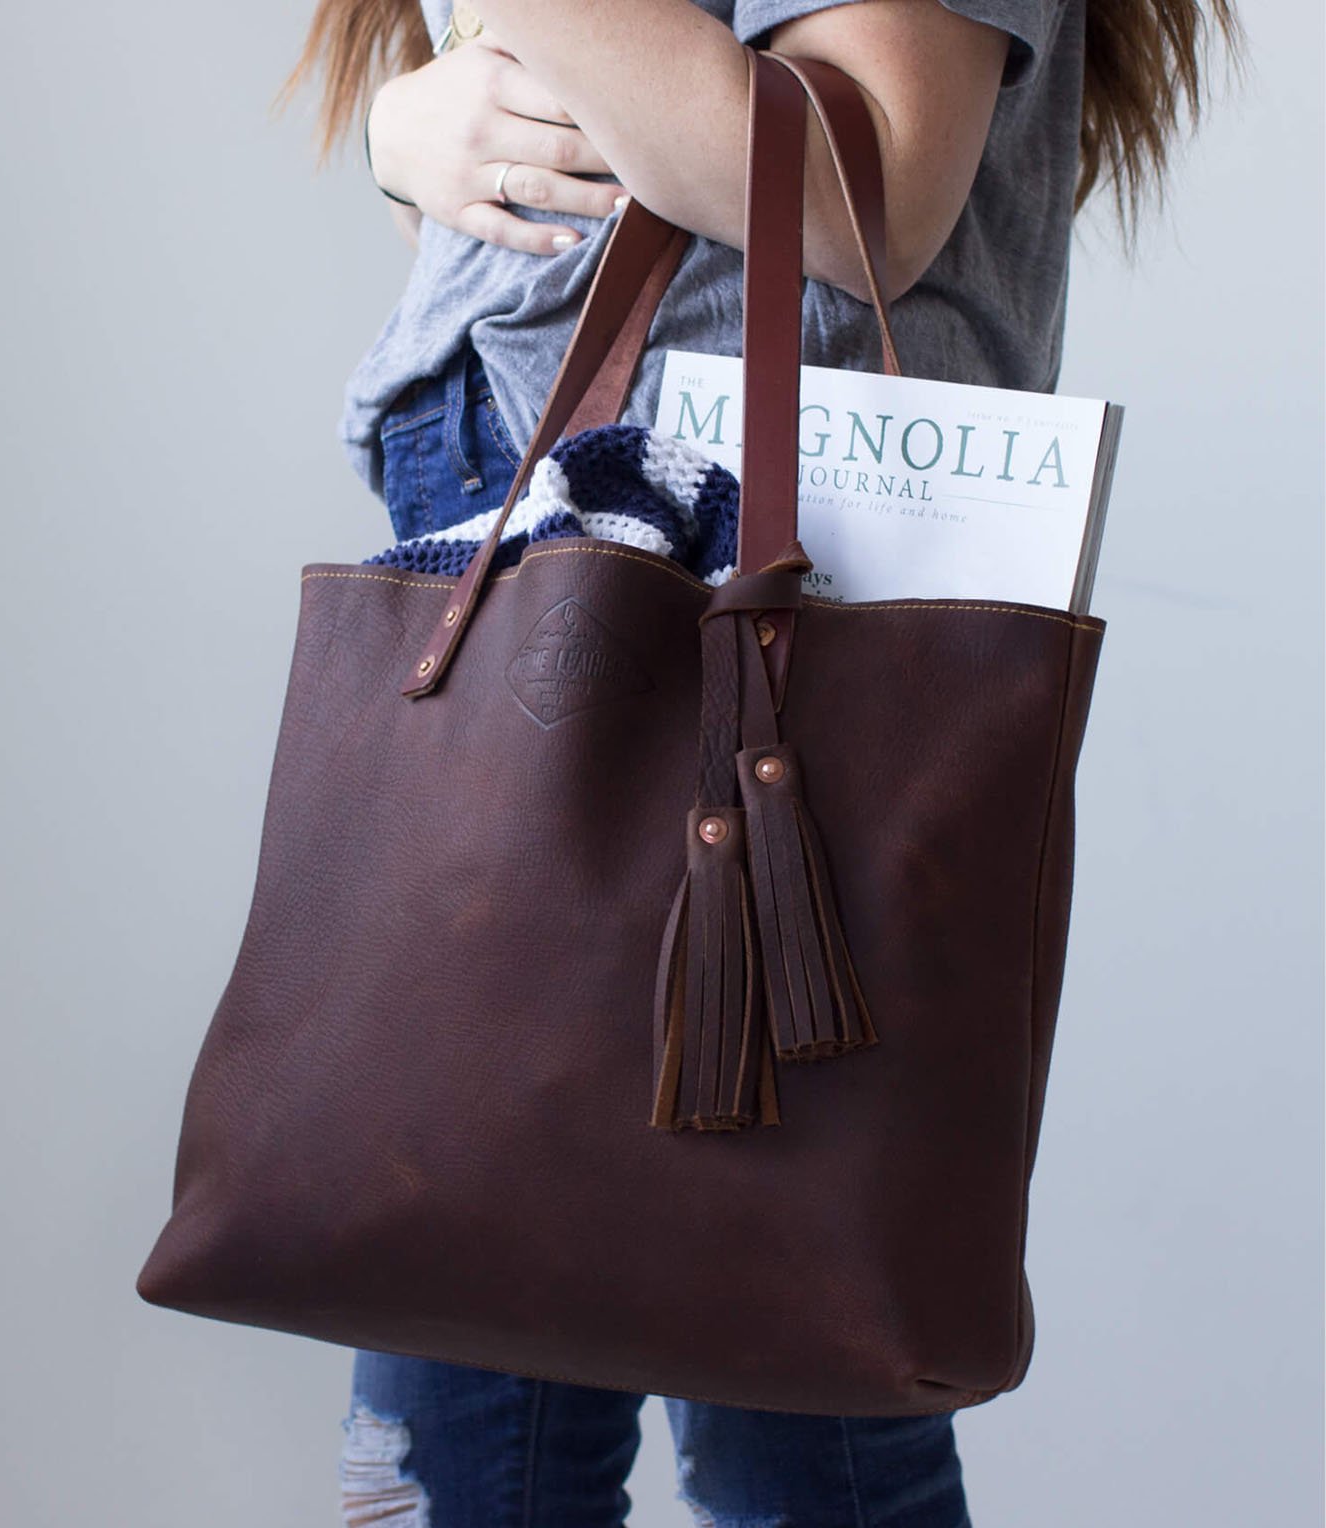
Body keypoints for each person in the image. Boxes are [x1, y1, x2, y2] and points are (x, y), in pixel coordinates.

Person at [279, 0, 1239, 1522]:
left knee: (789, 1357)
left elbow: (868, 187)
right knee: (469, 1291)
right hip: (529, 494)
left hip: (748, 562)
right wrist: (416, 145)